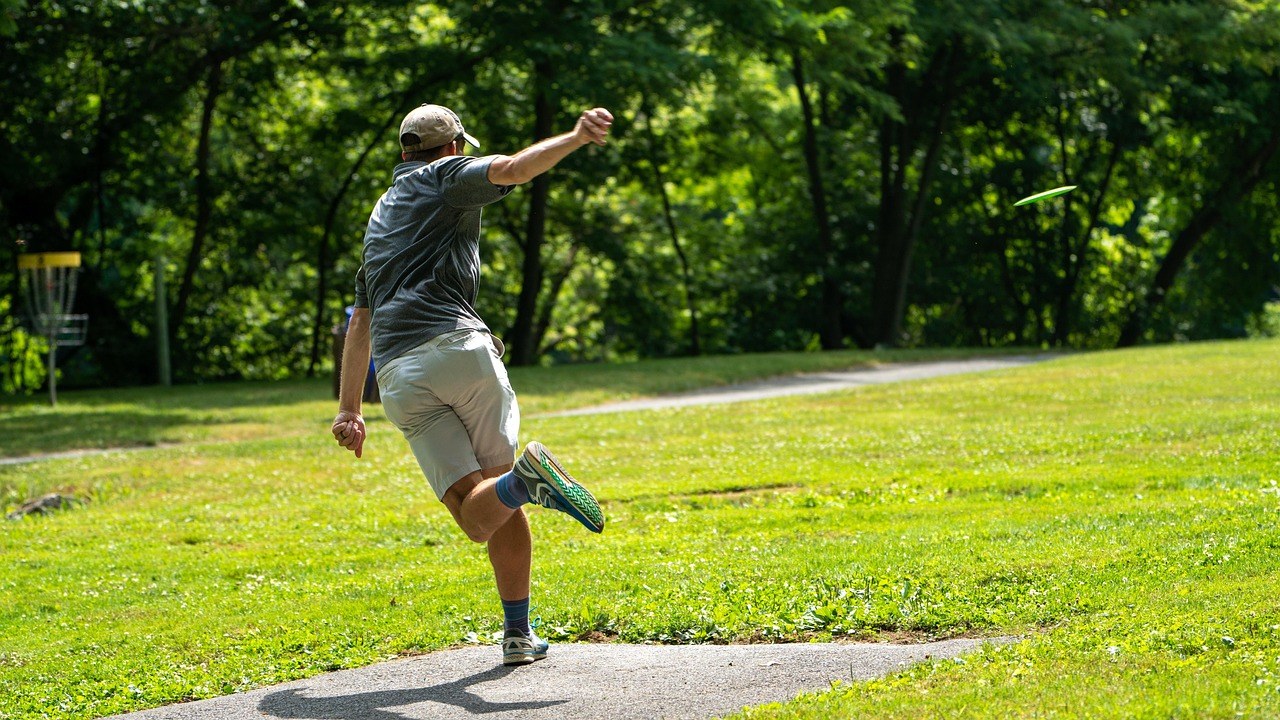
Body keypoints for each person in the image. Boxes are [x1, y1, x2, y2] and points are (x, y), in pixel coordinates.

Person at [330, 103, 613, 666]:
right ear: (454, 148)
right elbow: (511, 170)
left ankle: (516, 636)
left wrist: (348, 410)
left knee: (476, 515)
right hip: (461, 352)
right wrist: (577, 138)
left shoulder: (379, 219)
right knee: (498, 495)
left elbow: (359, 321)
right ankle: (524, 483)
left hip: (398, 376)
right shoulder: (445, 177)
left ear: (403, 152)